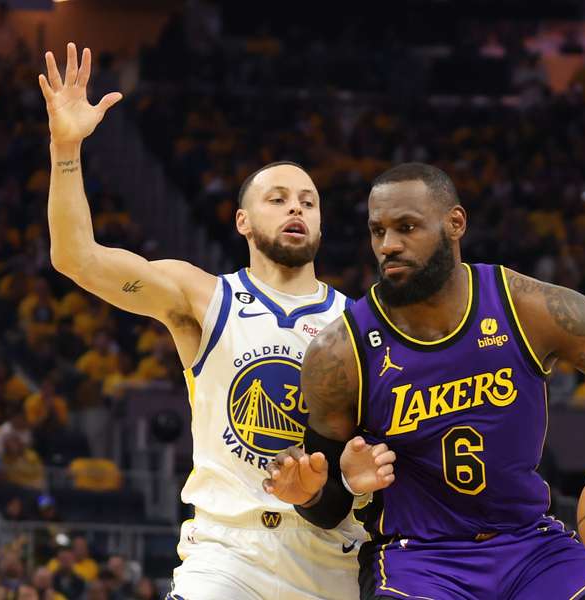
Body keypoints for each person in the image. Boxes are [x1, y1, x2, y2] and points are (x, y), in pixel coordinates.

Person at [265, 163, 585, 599]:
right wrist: (311, 493)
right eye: (378, 231)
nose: (389, 245)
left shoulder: (530, 308)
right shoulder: (339, 351)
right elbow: (328, 507)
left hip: (531, 547)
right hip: (420, 560)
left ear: (455, 224)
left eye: (407, 227)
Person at [37, 43, 362, 598]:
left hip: (331, 557)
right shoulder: (203, 297)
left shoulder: (358, 323)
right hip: (226, 556)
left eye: (308, 202)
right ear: (241, 220)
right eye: (278, 199)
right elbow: (76, 258)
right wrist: (66, 148)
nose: (295, 210)